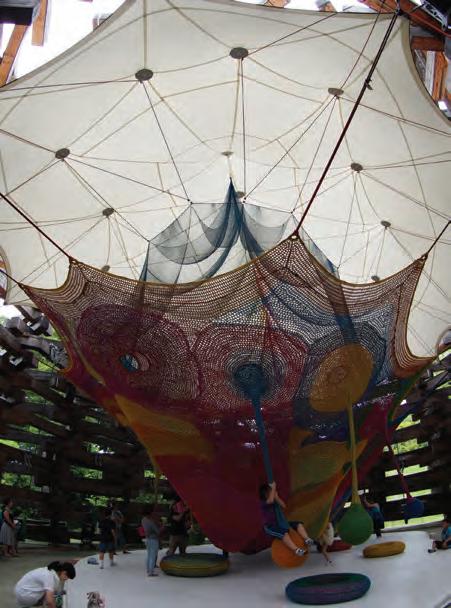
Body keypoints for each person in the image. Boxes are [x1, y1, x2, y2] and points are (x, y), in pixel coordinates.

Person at [259, 481, 314, 556]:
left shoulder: (273, 501)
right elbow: (270, 500)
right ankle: (296, 550)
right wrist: (273, 487)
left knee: (298, 524)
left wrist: (277, 498)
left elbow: (283, 506)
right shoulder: (263, 503)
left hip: (280, 523)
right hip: (270, 527)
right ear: (265, 494)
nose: (273, 493)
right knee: (284, 533)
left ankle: (307, 539)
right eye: (270, 492)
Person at [142, 504, 161, 577]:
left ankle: (148, 569)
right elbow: (158, 532)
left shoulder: (143, 520)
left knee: (149, 555)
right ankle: (151, 572)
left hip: (147, 539)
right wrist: (162, 527)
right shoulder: (151, 522)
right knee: (153, 556)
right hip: (153, 539)